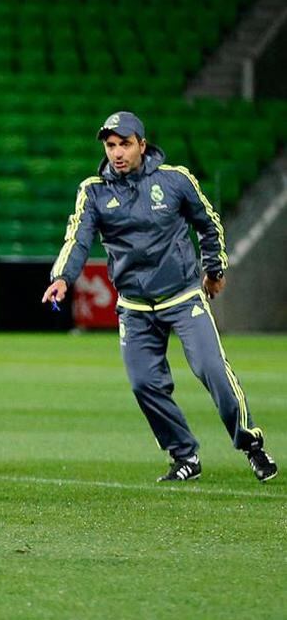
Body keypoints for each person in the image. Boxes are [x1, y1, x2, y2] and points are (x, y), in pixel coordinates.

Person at [42, 111, 277, 483]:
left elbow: (208, 223)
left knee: (212, 370)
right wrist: (63, 278)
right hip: (135, 307)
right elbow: (79, 238)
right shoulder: (94, 192)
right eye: (110, 145)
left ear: (142, 144)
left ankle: (251, 445)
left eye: (125, 143)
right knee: (143, 384)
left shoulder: (175, 180)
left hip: (183, 297)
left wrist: (214, 270)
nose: (117, 152)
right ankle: (184, 455)